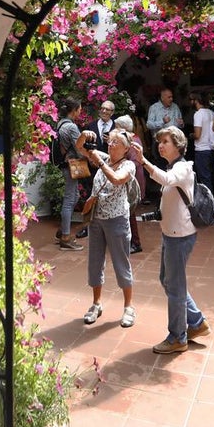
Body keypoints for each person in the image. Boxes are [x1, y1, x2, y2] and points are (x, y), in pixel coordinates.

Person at [133, 126, 211, 354]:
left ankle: (178, 337)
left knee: (175, 287)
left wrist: (143, 161)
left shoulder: (183, 168)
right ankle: (196, 322)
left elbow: (166, 180)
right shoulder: (174, 167)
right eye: (160, 141)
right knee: (167, 280)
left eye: (165, 141)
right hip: (171, 234)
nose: (161, 144)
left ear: (177, 145)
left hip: (180, 237)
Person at [79, 130, 138, 328]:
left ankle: (128, 307)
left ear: (126, 148)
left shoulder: (128, 165)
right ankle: (96, 304)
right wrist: (83, 135)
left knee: (121, 263)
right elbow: (80, 147)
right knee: (95, 263)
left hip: (117, 220)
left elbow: (116, 179)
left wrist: (100, 162)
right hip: (97, 219)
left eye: (116, 143)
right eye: (110, 141)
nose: (111, 145)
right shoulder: (103, 157)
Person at [55, 98, 86, 251]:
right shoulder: (71, 127)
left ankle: (63, 229)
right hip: (71, 165)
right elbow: (80, 148)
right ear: (73, 110)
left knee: (75, 197)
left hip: (65, 164)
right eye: (79, 109)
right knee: (69, 199)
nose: (80, 112)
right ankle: (65, 238)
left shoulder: (60, 123)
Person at [114, 114, 146, 253]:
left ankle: (135, 243)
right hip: (130, 181)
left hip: (133, 183)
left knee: (130, 212)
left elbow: (135, 162)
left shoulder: (132, 142)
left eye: (116, 128)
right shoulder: (131, 140)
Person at [190, 93, 214, 191]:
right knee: (211, 177)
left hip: (201, 150)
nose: (190, 102)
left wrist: (190, 135)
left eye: (191, 100)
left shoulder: (198, 114)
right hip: (212, 149)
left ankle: (209, 204)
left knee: (204, 179)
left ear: (196, 100)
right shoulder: (212, 113)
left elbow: (197, 135)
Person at [145, 88, 184, 155]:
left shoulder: (175, 107)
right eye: (169, 97)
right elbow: (149, 125)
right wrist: (162, 121)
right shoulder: (154, 108)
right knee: (161, 164)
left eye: (172, 97)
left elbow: (180, 124)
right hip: (160, 142)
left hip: (174, 141)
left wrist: (181, 123)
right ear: (162, 98)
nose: (171, 99)